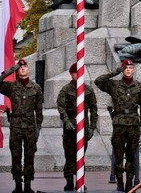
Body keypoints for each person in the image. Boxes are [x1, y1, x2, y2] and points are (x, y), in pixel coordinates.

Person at [94, 60, 141, 193]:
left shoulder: (139, 87)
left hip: (134, 124)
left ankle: (129, 182)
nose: (128, 70)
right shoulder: (114, 85)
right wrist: (116, 71)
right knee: (118, 154)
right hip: (119, 124)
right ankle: (119, 183)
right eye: (126, 68)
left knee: (131, 155)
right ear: (122, 70)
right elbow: (98, 81)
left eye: (130, 68)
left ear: (133, 70)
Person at [0, 59, 43, 193]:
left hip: (30, 128)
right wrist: (9, 71)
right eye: (20, 67)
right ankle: (18, 184)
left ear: (28, 69)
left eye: (25, 66)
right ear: (17, 70)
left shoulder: (36, 88)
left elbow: (39, 112)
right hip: (16, 127)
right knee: (16, 156)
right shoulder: (12, 87)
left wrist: (38, 130)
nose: (23, 68)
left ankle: (28, 185)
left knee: (29, 156)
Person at [56, 63, 98, 191]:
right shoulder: (65, 90)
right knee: (69, 156)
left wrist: (92, 127)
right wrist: (66, 121)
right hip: (70, 128)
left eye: (79, 73)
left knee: (80, 156)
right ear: (71, 74)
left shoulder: (88, 90)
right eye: (75, 73)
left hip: (83, 127)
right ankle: (69, 182)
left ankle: (80, 181)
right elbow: (61, 107)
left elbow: (93, 109)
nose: (77, 75)